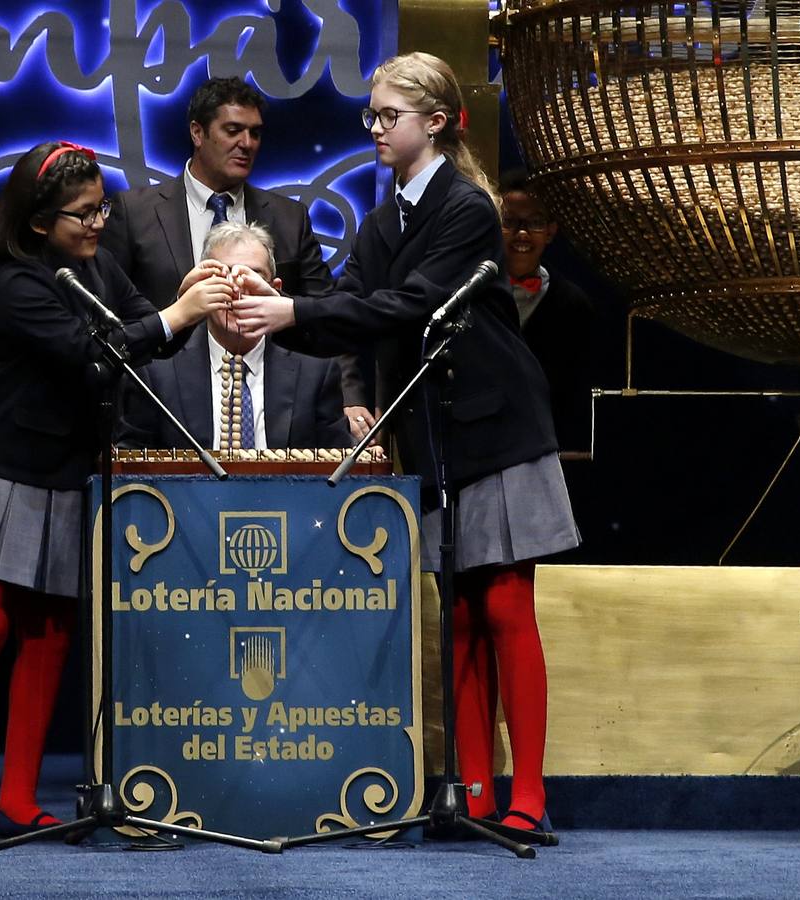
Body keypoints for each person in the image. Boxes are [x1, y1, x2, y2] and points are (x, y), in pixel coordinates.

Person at [232, 52, 579, 838]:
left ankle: (527, 795)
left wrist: (292, 315)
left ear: (437, 122)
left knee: (503, 605)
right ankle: (471, 796)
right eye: (373, 117)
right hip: (432, 432)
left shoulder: (465, 208)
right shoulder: (383, 215)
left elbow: (409, 306)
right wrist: (278, 300)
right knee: (456, 616)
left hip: (496, 424)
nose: (377, 130)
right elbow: (351, 302)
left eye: (389, 116)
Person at [0, 141, 230, 844]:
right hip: (7, 469)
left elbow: (148, 332)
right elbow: (95, 354)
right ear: (40, 220)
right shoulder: (20, 281)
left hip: (68, 470)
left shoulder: (98, 266)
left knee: (48, 636)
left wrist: (188, 301)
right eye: (81, 214)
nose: (97, 223)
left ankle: (17, 800)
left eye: (101, 208)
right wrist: (177, 316)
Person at [100, 77, 373, 437]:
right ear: (198, 133)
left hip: (274, 416)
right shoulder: (134, 213)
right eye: (233, 131)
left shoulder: (289, 218)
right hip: (164, 411)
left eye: (255, 133)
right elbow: (113, 319)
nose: (247, 144)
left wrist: (349, 396)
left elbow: (325, 314)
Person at [117, 221, 351, 450]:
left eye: (252, 275)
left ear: (275, 289)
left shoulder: (317, 372)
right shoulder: (155, 374)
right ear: (199, 286)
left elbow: (336, 467)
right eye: (223, 275)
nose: (236, 289)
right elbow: (129, 470)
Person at [498, 171, 596, 454]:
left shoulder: (575, 306)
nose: (523, 234)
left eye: (535, 223)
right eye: (510, 222)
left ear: (551, 231)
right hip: (481, 455)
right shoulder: (472, 296)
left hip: (549, 452)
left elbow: (578, 396)